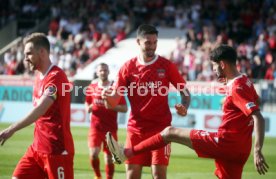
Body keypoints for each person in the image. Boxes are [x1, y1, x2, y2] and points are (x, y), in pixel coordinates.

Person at [106, 45, 269, 179]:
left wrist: (258, 150)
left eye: (213, 65)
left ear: (222, 64)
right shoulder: (246, 81)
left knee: (170, 132)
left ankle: (125, 153)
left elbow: (258, 117)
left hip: (226, 142)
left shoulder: (236, 88)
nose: (213, 69)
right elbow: (256, 102)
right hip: (240, 149)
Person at [102, 24, 191, 179]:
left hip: (161, 130)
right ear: (138, 42)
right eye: (148, 42)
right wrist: (107, 98)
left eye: (155, 42)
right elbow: (113, 103)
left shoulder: (166, 65)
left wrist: (184, 106)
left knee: (158, 175)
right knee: (132, 175)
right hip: (136, 130)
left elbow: (186, 93)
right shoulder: (127, 68)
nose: (152, 46)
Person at [0, 33, 74, 179]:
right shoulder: (39, 76)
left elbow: (40, 109)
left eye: (29, 53)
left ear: (42, 52)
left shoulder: (57, 77)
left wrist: (11, 129)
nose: (25, 58)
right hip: (36, 150)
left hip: (56, 151)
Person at [85, 63, 127, 179]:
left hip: (111, 128)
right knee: (93, 154)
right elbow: (87, 101)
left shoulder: (115, 88)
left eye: (105, 70)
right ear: (97, 73)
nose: (103, 72)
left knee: (109, 159)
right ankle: (97, 176)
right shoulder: (92, 87)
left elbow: (124, 108)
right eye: (101, 71)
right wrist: (87, 108)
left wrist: (110, 106)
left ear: (108, 72)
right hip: (96, 127)